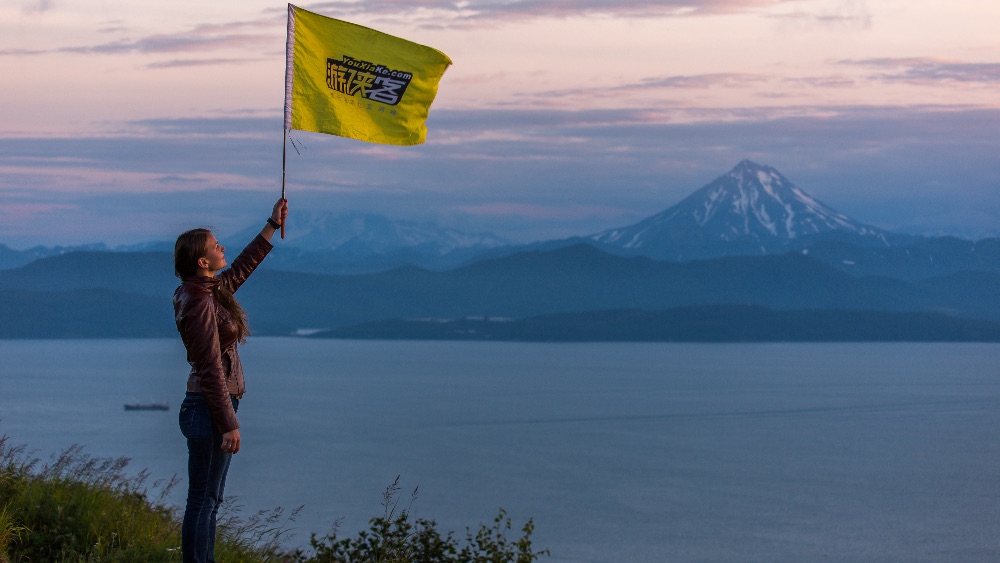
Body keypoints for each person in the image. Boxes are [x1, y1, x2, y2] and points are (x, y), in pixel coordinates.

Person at [172, 198, 288, 563]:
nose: (222, 248)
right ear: (202, 262)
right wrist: (229, 423)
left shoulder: (205, 291)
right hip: (209, 408)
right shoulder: (200, 302)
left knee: (208, 499)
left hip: (208, 406)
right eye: (215, 246)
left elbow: (240, 270)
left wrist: (271, 224)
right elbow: (210, 368)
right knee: (203, 500)